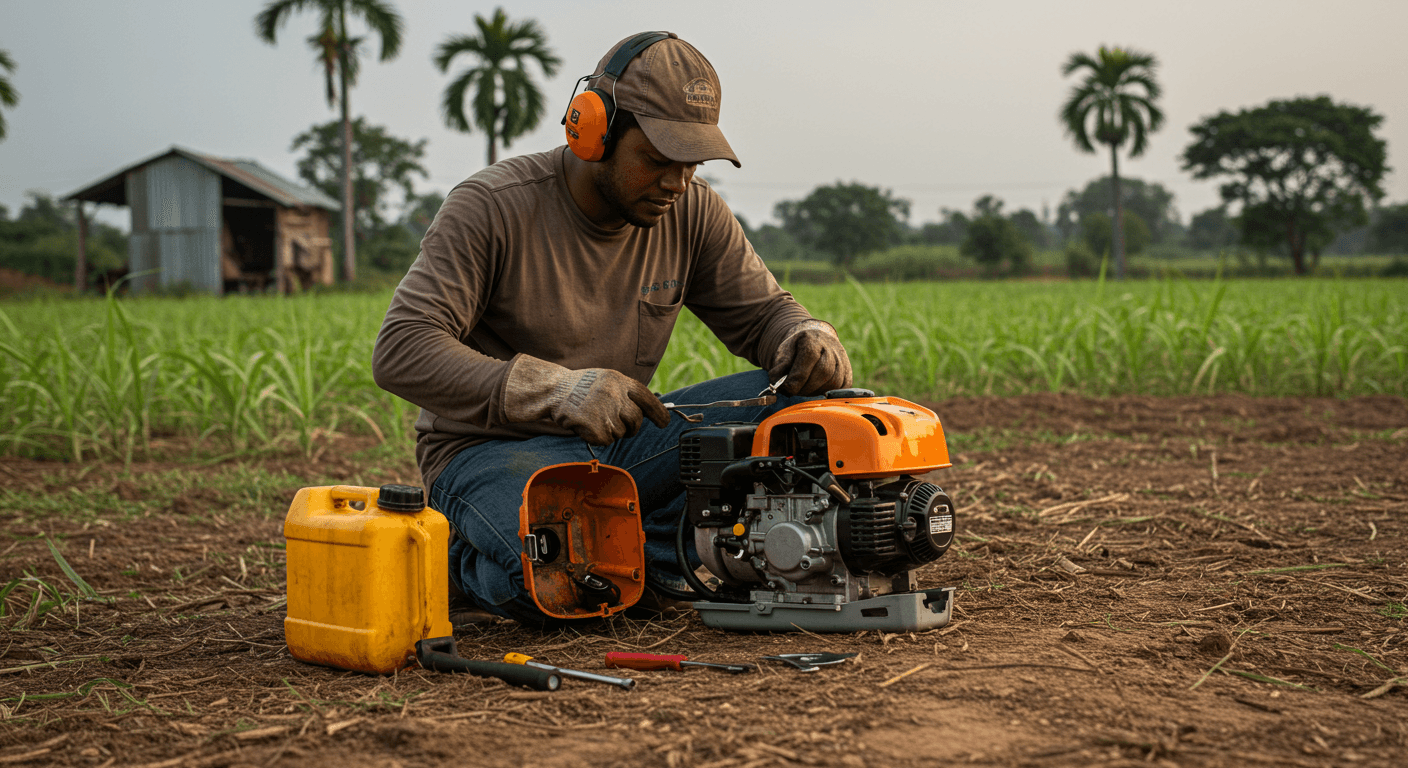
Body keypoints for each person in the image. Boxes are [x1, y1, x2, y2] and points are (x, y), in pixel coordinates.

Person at [371, 31, 852, 626]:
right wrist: (558, 390)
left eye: (691, 164)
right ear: (592, 130)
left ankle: (640, 552)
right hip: (491, 452)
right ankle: (457, 559)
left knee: (806, 412)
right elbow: (402, 348)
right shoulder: (491, 207)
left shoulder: (693, 211)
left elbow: (764, 315)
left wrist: (805, 335)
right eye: (656, 160)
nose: (677, 183)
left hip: (622, 444)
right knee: (570, 580)